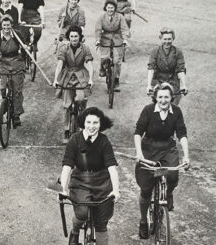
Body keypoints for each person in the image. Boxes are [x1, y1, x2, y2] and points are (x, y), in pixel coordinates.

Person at [133, 82, 190, 239]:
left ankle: (167, 193)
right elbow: (138, 133)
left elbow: (182, 134)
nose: (163, 100)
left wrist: (186, 156)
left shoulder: (176, 112)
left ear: (172, 97)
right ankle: (144, 221)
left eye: (166, 97)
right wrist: (140, 154)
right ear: (155, 98)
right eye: (160, 97)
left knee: (172, 176)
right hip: (148, 149)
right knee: (145, 189)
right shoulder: (148, 110)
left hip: (167, 149)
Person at [59, 107, 120, 245]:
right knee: (81, 212)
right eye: (88, 122)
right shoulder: (75, 140)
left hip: (102, 182)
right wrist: (62, 187)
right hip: (80, 181)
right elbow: (67, 165)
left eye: (95, 123)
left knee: (101, 221)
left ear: (101, 124)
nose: (91, 126)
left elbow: (111, 167)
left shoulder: (104, 141)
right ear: (83, 123)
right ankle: (75, 231)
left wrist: (116, 190)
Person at [53, 26, 94, 144]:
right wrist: (56, 79)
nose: (74, 39)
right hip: (67, 76)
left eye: (76, 36)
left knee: (81, 100)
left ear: (80, 37)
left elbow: (89, 64)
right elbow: (60, 64)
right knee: (66, 105)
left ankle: (82, 125)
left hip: (81, 75)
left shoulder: (85, 48)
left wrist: (91, 79)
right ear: (68, 37)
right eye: (71, 36)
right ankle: (66, 130)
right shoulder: (64, 48)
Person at [0, 15, 27, 127]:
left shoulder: (17, 34)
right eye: (4, 25)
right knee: (3, 88)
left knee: (17, 91)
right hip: (4, 62)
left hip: (17, 61)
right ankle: (6, 105)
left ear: (11, 25)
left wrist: (24, 63)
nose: (6, 27)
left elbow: (24, 49)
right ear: (2, 26)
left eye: (8, 25)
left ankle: (16, 115)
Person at [147, 27, 188, 105]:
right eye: (165, 39)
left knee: (173, 106)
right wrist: (149, 85)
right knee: (158, 105)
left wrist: (183, 85)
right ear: (161, 39)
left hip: (173, 81)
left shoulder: (178, 52)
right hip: (158, 81)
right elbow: (151, 68)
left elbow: (181, 69)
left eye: (169, 39)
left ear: (173, 39)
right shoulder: (155, 52)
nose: (167, 42)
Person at [95, 0, 129, 92]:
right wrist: (98, 40)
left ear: (115, 8)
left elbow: (124, 29)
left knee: (117, 61)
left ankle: (116, 80)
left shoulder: (120, 17)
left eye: (112, 8)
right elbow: (98, 29)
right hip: (105, 39)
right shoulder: (101, 17)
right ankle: (102, 68)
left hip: (117, 39)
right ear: (105, 8)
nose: (110, 9)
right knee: (104, 57)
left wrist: (125, 39)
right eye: (108, 7)